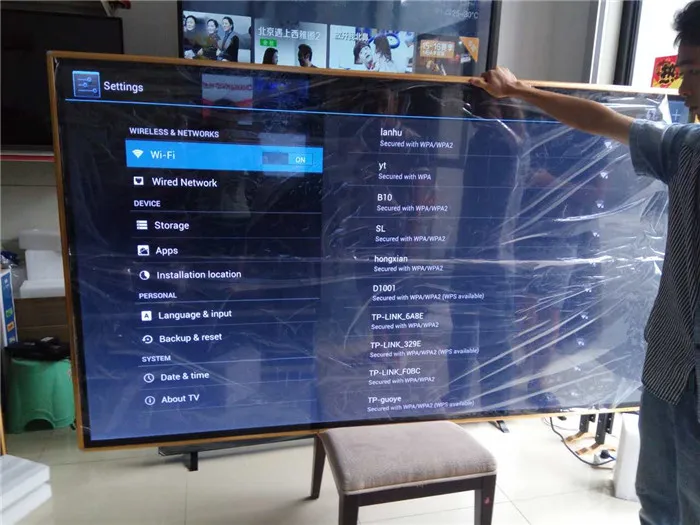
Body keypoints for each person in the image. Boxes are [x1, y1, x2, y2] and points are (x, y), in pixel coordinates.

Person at [474, 2, 699, 523]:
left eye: (692, 71)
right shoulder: (687, 150)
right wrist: (520, 91)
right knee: (658, 501)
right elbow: (605, 121)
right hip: (670, 366)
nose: (682, 88)